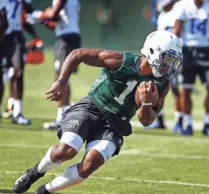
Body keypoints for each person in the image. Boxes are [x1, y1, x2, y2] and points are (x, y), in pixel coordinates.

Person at [13, 30, 183, 194]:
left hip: (116, 124)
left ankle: (46, 190)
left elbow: (147, 121)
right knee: (66, 151)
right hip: (91, 108)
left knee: (89, 165)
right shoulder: (121, 61)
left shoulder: (163, 84)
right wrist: (62, 81)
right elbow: (77, 54)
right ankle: (36, 171)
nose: (169, 67)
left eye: (173, 62)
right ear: (152, 51)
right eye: (167, 59)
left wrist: (146, 103)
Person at [27, 0, 81, 130]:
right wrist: (43, 20)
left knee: (61, 77)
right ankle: (63, 115)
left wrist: (39, 15)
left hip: (66, 38)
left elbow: (53, 15)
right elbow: (54, 22)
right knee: (62, 77)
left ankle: (62, 118)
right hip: (68, 36)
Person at [173, 0, 209, 136]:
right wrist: (173, 54)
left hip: (206, 50)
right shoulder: (182, 6)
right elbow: (177, 31)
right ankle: (187, 124)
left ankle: (207, 123)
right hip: (187, 50)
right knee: (186, 89)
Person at [146, 0, 181, 131]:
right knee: (157, 87)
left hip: (173, 56)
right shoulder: (162, 16)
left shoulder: (176, 14)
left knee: (176, 88)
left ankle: (179, 120)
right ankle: (159, 119)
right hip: (160, 57)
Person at [0, 0, 34, 125]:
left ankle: (17, 112)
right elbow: (3, 21)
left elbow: (28, 13)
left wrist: (34, 35)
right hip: (2, 36)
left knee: (18, 71)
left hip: (16, 36)